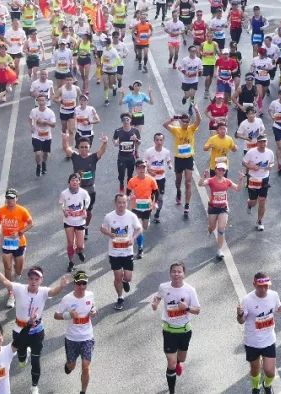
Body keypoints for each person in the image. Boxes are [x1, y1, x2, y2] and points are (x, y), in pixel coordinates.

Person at [0, 265, 73, 394]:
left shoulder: (43, 291)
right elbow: (5, 282)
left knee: (36, 361)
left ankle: (34, 386)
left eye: (37, 279)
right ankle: (23, 357)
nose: (33, 281)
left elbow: (53, 292)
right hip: (20, 331)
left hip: (37, 332)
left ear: (41, 280)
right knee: (21, 358)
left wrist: (61, 286)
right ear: (28, 279)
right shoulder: (20, 289)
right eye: (31, 278)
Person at [150, 261, 201, 394]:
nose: (176, 274)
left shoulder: (190, 290)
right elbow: (158, 297)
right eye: (174, 271)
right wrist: (155, 304)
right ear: (170, 273)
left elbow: (197, 310)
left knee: (181, 359)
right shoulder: (164, 287)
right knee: (171, 363)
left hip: (185, 330)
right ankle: (172, 390)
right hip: (169, 330)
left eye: (179, 271)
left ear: (184, 274)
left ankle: (179, 362)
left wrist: (187, 308)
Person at [237, 272, 281, 394]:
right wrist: (240, 314)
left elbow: (278, 310)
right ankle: (256, 387)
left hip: (269, 339)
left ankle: (266, 384)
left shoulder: (274, 295)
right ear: (254, 284)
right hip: (252, 341)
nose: (263, 289)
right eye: (260, 286)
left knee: (270, 372)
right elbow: (241, 321)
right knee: (255, 369)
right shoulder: (247, 300)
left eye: (266, 286)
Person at [54, 270, 98, 394]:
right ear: (75, 284)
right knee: (71, 366)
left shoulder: (90, 295)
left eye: (84, 283)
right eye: (79, 284)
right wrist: (68, 315)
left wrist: (94, 311)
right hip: (72, 338)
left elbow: (93, 307)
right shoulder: (67, 299)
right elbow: (56, 315)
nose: (82, 287)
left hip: (87, 337)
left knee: (85, 366)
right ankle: (68, 366)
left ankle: (83, 391)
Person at [100, 192, 144, 310]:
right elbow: (102, 228)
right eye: (119, 202)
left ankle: (126, 281)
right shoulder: (109, 216)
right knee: (117, 276)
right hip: (114, 252)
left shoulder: (131, 216)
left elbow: (140, 228)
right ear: (115, 203)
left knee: (128, 277)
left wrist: (133, 238)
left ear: (127, 203)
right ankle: (120, 297)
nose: (122, 205)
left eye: (124, 202)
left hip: (127, 252)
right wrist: (110, 233)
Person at [0, 188, 34, 305]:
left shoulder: (22, 211)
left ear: (17, 199)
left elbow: (31, 223)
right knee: (7, 267)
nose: (10, 200)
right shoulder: (0, 211)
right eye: (8, 198)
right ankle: (11, 294)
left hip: (19, 243)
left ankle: (17, 267)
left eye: (12, 198)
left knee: (18, 271)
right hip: (6, 242)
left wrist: (19, 232)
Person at [198, 159, 241, 259]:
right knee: (212, 227)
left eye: (223, 170)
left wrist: (240, 180)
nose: (221, 172)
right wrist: (204, 176)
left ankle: (219, 250)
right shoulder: (211, 180)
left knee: (221, 229)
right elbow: (200, 184)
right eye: (219, 170)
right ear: (216, 170)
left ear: (225, 172)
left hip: (223, 208)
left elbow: (238, 189)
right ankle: (209, 230)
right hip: (213, 207)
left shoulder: (227, 181)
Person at [164, 109, 200, 214]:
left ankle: (187, 205)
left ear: (189, 122)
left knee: (188, 182)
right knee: (178, 180)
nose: (185, 123)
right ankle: (178, 191)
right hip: (179, 158)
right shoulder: (176, 130)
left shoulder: (192, 129)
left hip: (188, 158)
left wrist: (197, 111)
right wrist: (172, 119)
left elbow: (199, 121)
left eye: (187, 121)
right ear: (180, 122)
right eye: (183, 121)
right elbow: (165, 125)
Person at [67, 136, 107, 228]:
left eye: (86, 147)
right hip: (77, 189)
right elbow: (67, 148)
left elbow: (102, 151)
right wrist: (65, 139)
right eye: (81, 147)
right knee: (77, 209)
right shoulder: (75, 157)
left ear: (89, 147)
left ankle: (86, 226)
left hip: (90, 190)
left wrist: (104, 143)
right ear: (78, 147)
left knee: (88, 212)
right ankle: (77, 225)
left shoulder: (93, 157)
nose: (84, 149)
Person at [126, 159, 160, 257]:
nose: (142, 170)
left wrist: (155, 203)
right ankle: (140, 248)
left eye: (144, 167)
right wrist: (129, 197)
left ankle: (147, 220)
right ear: (136, 169)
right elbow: (127, 194)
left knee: (145, 226)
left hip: (147, 207)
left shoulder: (151, 180)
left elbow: (156, 192)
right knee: (138, 227)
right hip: (136, 207)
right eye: (140, 168)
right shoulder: (132, 181)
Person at [59, 173, 92, 271]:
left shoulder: (83, 193)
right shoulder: (64, 193)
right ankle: (71, 262)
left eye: (77, 180)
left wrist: (85, 209)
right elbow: (61, 203)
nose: (75, 182)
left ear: (79, 182)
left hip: (80, 221)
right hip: (68, 221)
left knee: (80, 245)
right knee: (70, 243)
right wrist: (64, 210)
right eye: (73, 180)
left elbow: (87, 201)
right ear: (69, 182)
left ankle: (79, 251)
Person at [243, 134, 275, 231]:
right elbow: (243, 162)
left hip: (264, 179)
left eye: (264, 142)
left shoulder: (270, 153)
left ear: (266, 142)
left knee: (262, 201)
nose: (262, 144)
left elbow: (272, 162)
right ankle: (249, 204)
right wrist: (252, 167)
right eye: (260, 142)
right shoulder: (251, 152)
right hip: (253, 178)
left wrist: (271, 166)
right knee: (253, 201)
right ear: (257, 143)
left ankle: (260, 221)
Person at [113, 114, 142, 191]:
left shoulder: (135, 131)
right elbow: (115, 143)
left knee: (130, 174)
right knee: (121, 174)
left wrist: (136, 140)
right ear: (122, 121)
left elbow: (139, 142)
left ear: (130, 120)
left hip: (130, 156)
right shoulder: (118, 131)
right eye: (123, 120)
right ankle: (121, 184)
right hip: (121, 156)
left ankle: (129, 189)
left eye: (127, 120)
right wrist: (117, 141)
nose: (126, 122)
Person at [30, 95, 56, 177]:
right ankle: (38, 166)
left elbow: (53, 125)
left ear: (46, 101)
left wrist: (45, 122)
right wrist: (32, 126)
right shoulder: (34, 111)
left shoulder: (50, 112)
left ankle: (44, 163)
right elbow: (30, 119)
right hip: (36, 135)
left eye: (43, 100)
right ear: (37, 101)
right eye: (39, 100)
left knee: (46, 154)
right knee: (37, 153)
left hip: (47, 136)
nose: (41, 102)